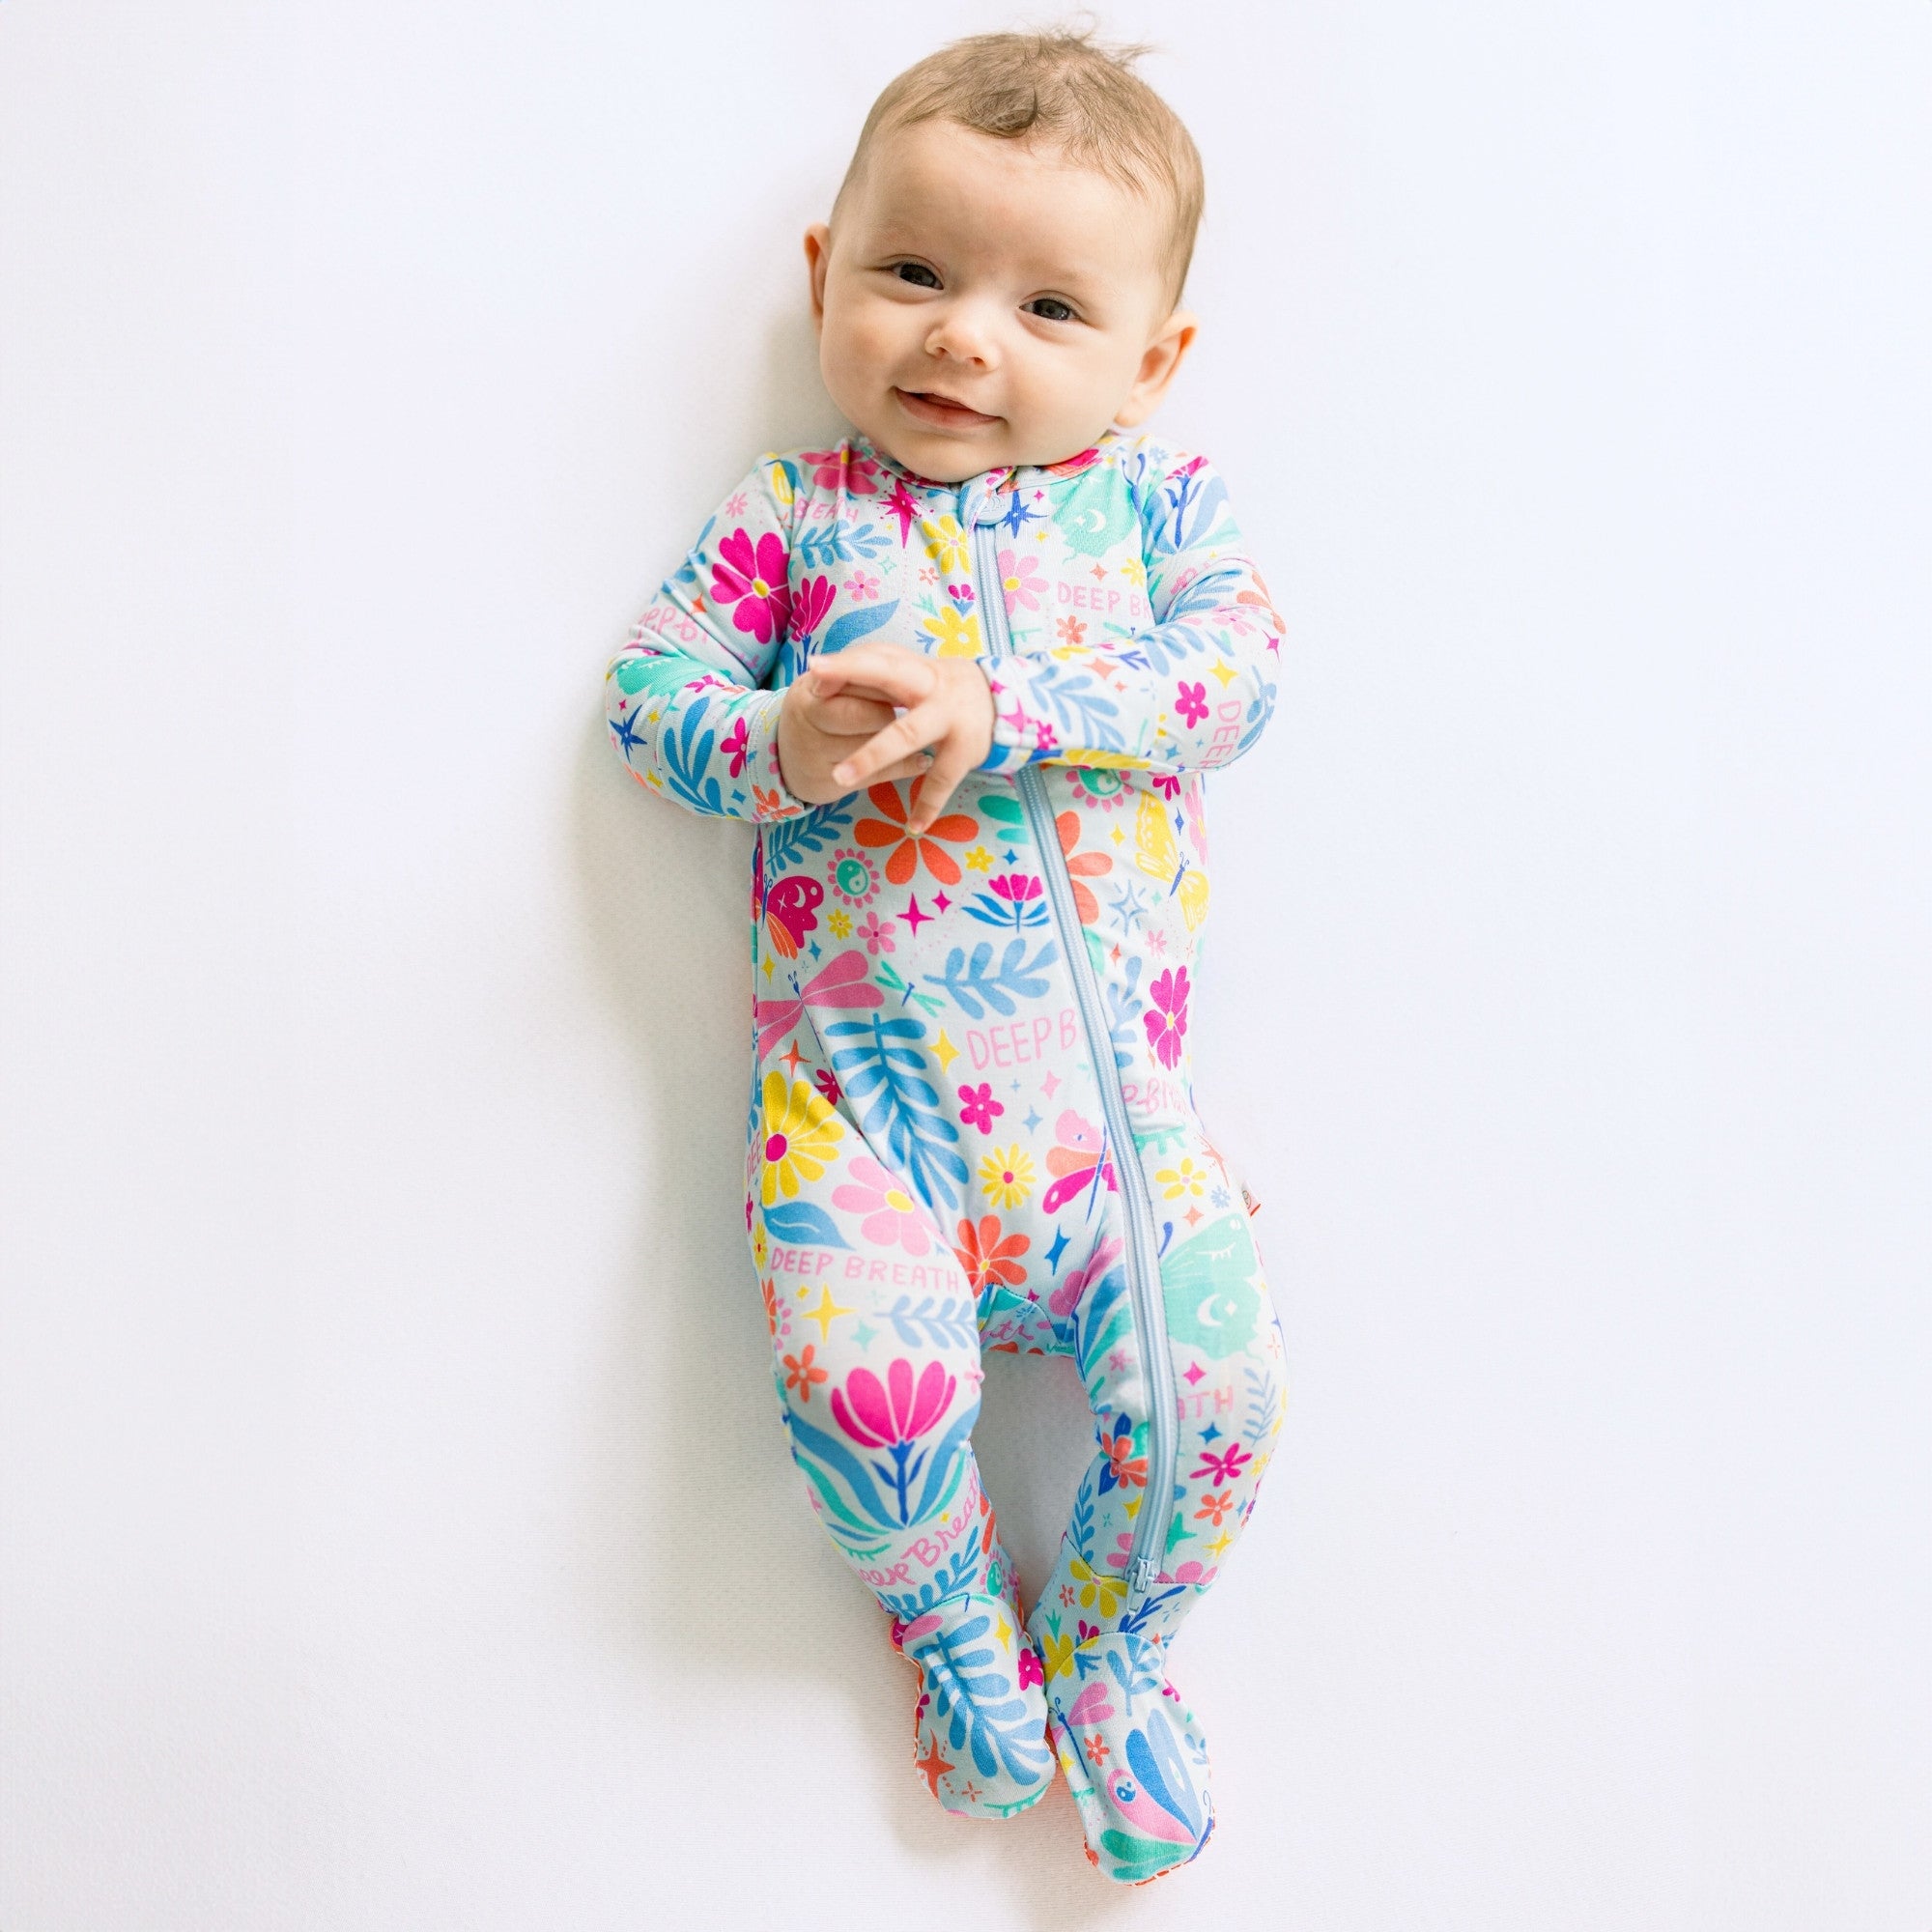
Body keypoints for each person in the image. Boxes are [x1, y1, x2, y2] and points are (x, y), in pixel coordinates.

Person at [606, 27, 1289, 1885]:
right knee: (858, 1395)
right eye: (912, 271)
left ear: (1151, 364)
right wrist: (777, 744)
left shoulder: (1155, 509)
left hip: (1113, 1138)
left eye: (1049, 307)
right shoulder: (792, 519)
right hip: (866, 1123)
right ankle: (958, 1633)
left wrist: (1016, 702)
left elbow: (1236, 679)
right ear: (825, 271)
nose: (964, 339)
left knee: (1222, 1393)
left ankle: (1111, 1656)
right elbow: (648, 698)